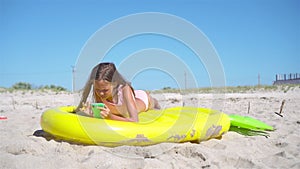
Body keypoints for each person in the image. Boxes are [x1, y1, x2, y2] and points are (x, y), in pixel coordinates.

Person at [76, 62, 160, 122]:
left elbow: (134, 120)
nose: (101, 93)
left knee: (153, 103)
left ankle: (155, 101)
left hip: (143, 99)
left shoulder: (125, 89)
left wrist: (111, 117)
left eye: (105, 90)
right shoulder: (100, 89)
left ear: (115, 83)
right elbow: (100, 115)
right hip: (129, 98)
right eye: (98, 90)